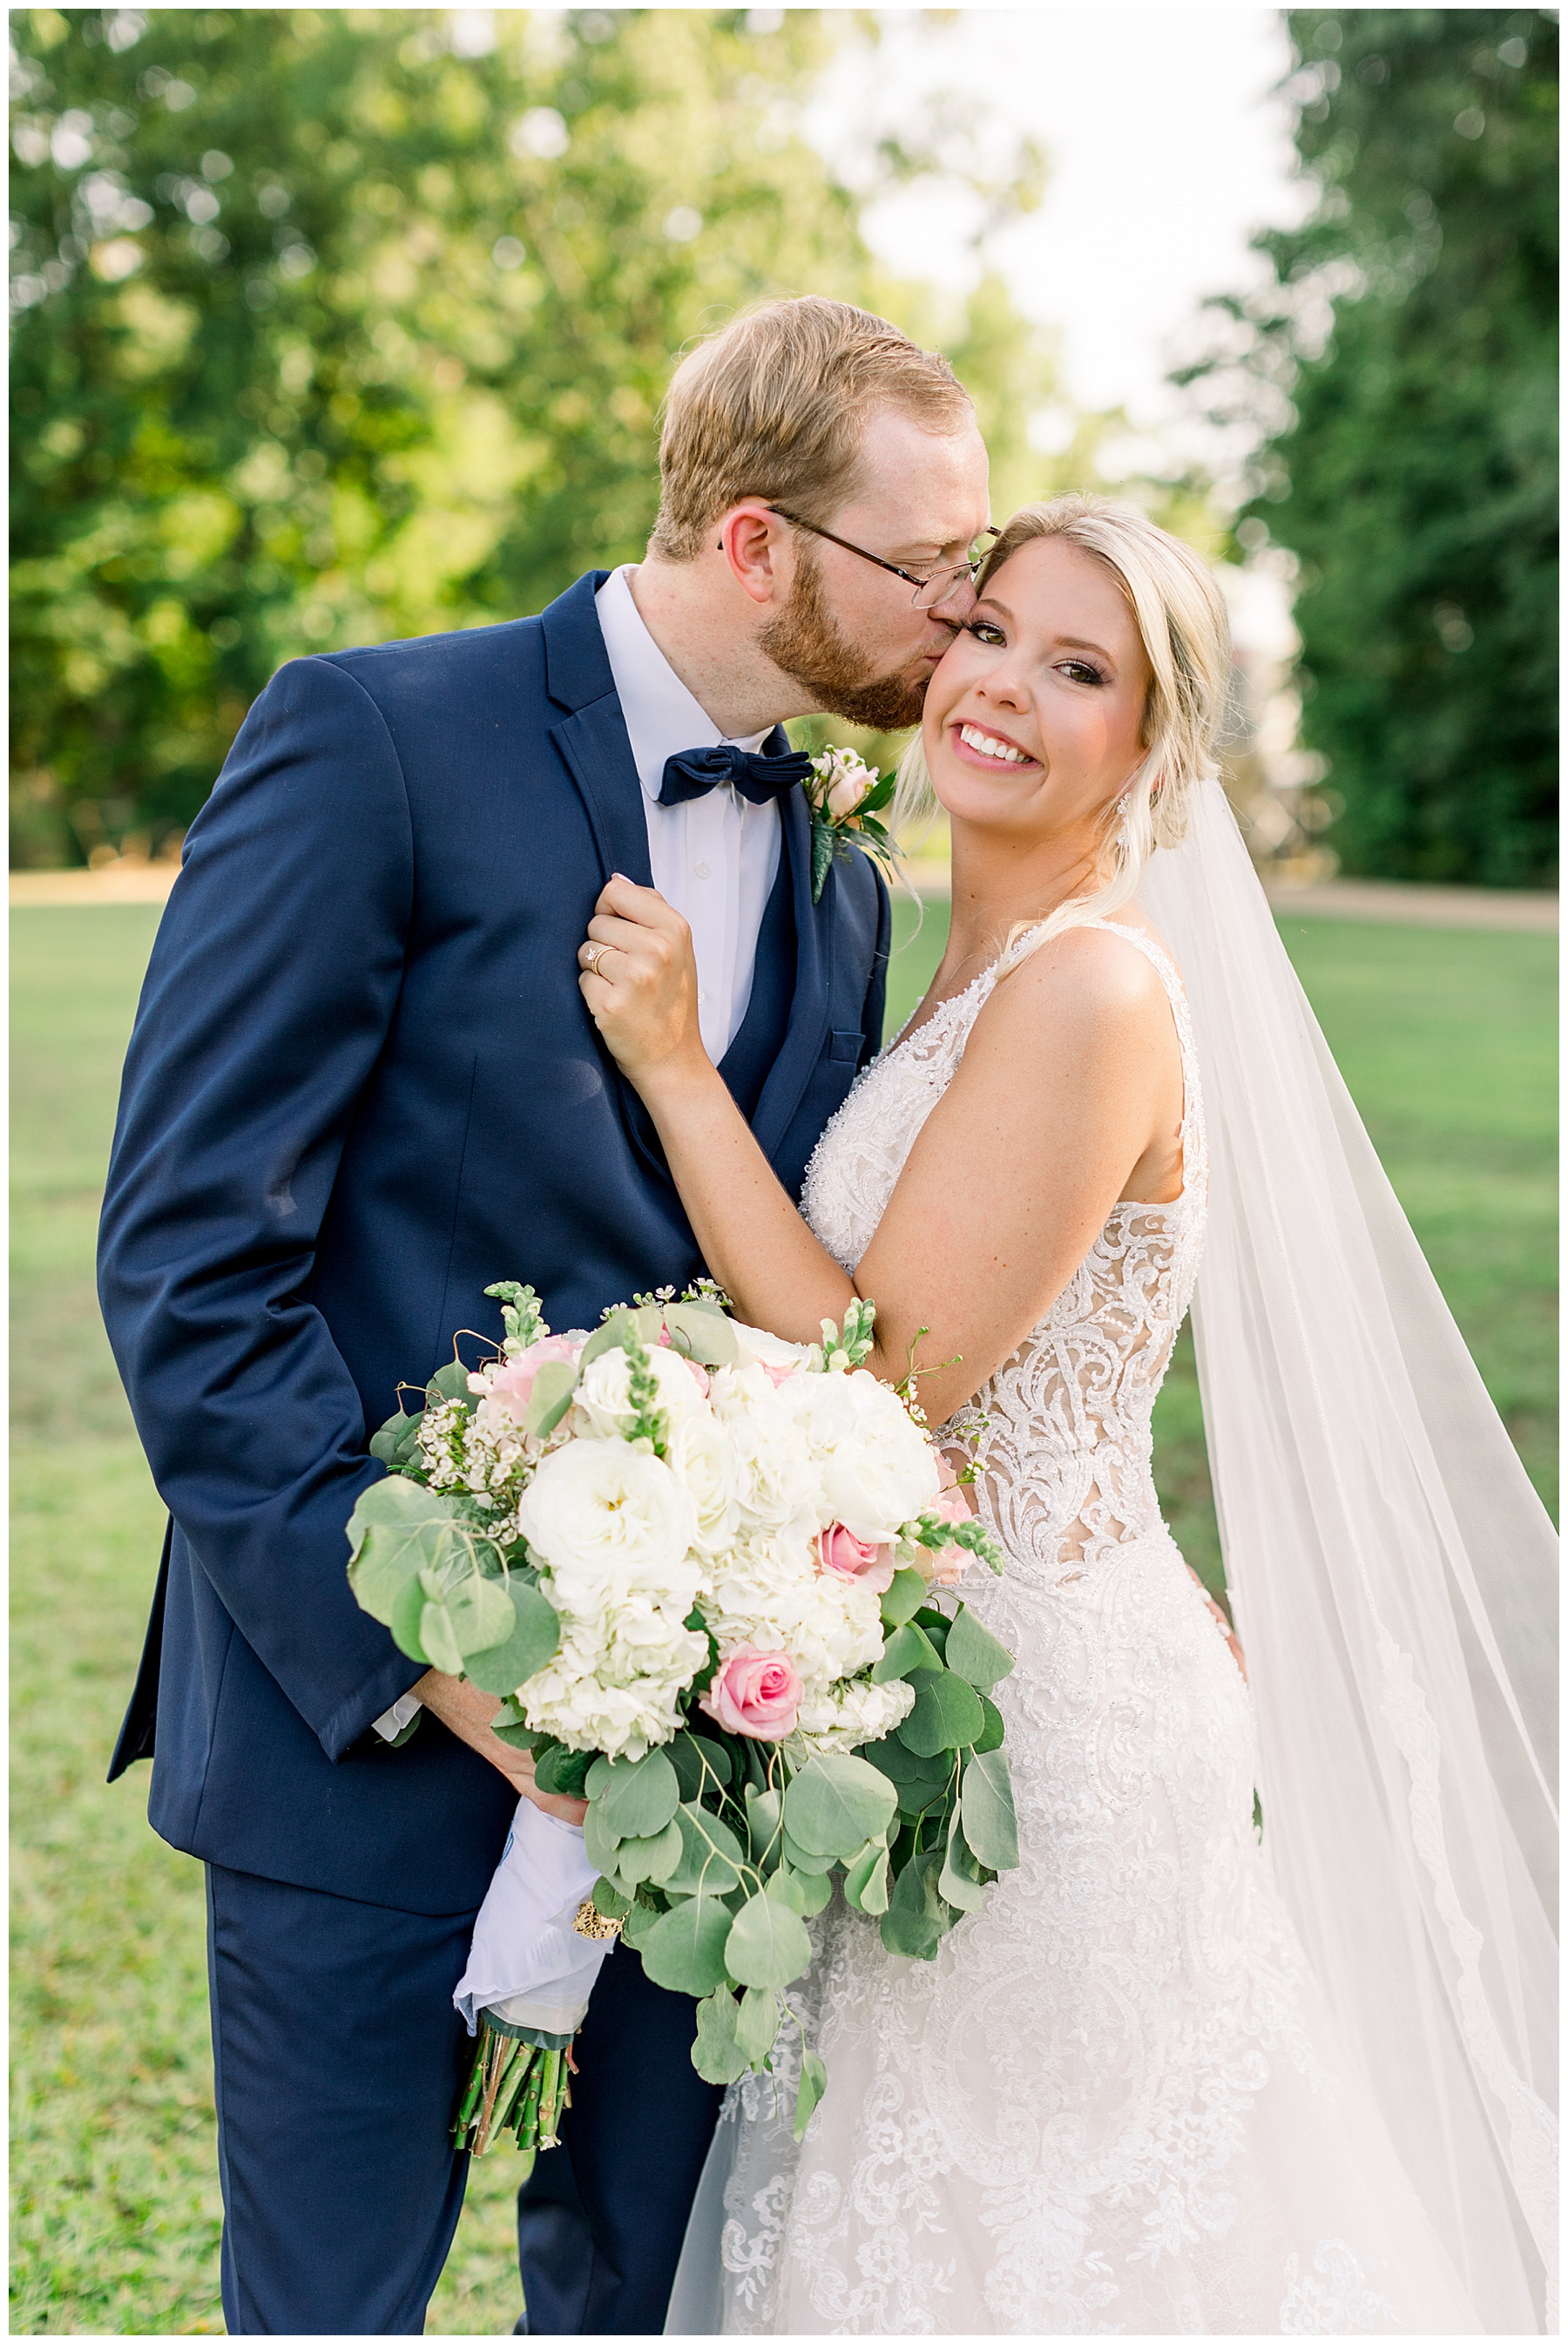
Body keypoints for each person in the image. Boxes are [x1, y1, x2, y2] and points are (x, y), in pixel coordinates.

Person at [96, 295, 993, 2336]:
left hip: (711, 1765)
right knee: (326, 2306)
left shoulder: (843, 879)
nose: (959, 613)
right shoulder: (377, 734)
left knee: (644, 2302)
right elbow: (189, 1259)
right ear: (756, 542)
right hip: (369, 1736)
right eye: (926, 566)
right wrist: (434, 1665)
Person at [577, 495, 1558, 2334]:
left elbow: (882, 1385)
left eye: (1080, 667)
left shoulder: (1094, 988)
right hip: (942, 1707)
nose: (1004, 685)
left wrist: (675, 1073)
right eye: (990, 629)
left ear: (1155, 746)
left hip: (1052, 1752)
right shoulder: (946, 960)